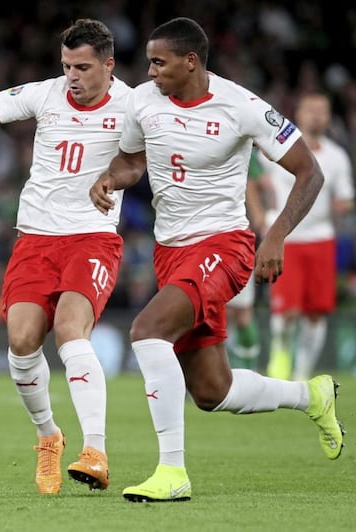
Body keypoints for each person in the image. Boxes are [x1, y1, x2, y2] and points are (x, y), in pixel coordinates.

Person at [90, 17, 344, 503]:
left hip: (223, 246)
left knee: (147, 331)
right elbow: (131, 160)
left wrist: (275, 234)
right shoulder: (143, 101)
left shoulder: (242, 106)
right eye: (148, 62)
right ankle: (311, 396)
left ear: (191, 62)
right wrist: (110, 179)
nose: (150, 71)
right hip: (171, 251)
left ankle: (171, 472)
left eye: (159, 62)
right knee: (212, 391)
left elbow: (308, 172)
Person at [0, 18, 132, 494]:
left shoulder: (133, 105)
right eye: (66, 65)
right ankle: (48, 437)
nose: (72, 75)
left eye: (83, 67)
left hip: (92, 236)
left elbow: (138, 160)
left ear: (108, 65)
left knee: (71, 329)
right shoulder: (45, 94)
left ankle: (95, 450)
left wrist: (113, 176)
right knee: (21, 340)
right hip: (35, 238)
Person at [262, 92, 355, 381]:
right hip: (287, 239)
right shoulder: (279, 146)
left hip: (321, 239)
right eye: (311, 109)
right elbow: (254, 176)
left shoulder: (337, 156)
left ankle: (302, 374)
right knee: (287, 310)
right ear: (298, 113)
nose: (317, 115)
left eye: (323, 110)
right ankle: (280, 357)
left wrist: (343, 204)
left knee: (316, 312)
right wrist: (262, 212)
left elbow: (345, 197)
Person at [225, 149, 271, 370]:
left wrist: (262, 220)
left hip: (236, 238)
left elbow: (261, 185)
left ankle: (248, 369)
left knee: (240, 313)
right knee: (218, 313)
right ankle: (214, 373)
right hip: (210, 235)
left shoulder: (245, 149)